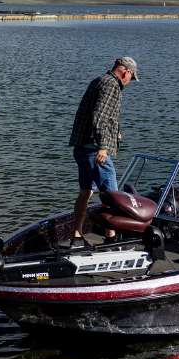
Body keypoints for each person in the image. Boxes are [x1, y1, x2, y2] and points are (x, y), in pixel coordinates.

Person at [65, 56, 139, 248]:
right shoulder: (112, 86)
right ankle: (111, 238)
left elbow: (99, 116)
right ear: (125, 72)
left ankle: (77, 236)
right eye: (131, 78)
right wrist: (104, 147)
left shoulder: (99, 81)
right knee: (112, 194)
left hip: (82, 147)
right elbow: (99, 118)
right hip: (94, 150)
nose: (130, 82)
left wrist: (115, 132)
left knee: (86, 191)